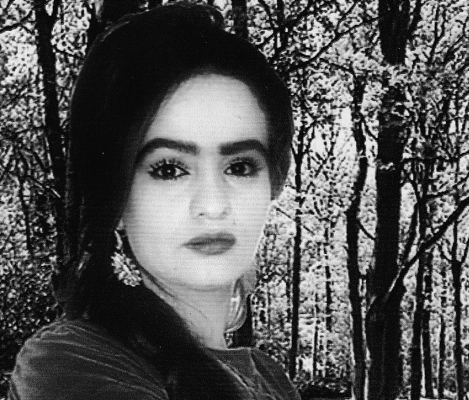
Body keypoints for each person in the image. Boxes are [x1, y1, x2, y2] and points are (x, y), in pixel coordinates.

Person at [8, 3, 298, 400]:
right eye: (169, 169)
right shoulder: (71, 361)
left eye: (240, 167)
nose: (213, 204)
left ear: (272, 185)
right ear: (117, 199)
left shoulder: (270, 378)